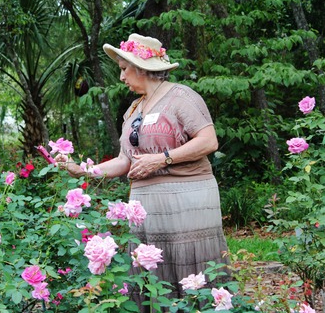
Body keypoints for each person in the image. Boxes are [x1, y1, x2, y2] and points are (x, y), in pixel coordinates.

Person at [56, 34, 229, 309]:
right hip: (146, 208)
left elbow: (208, 141)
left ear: (141, 67)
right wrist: (86, 171)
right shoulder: (133, 109)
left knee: (190, 273)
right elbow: (126, 159)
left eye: (124, 69)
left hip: (187, 203)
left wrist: (162, 159)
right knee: (150, 273)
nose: (122, 77)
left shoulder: (181, 97)